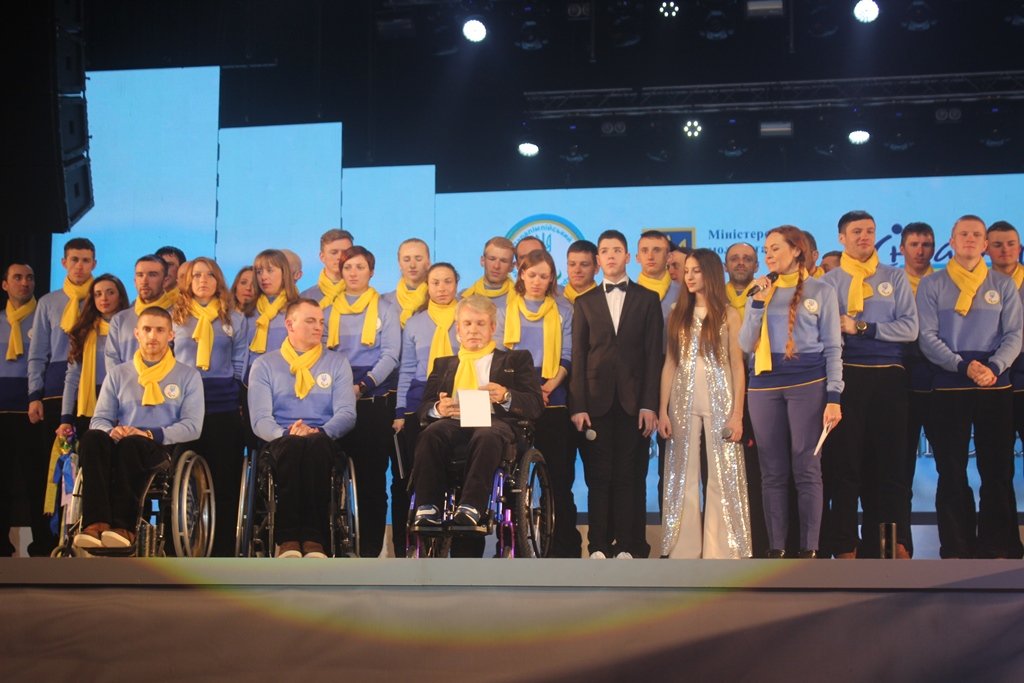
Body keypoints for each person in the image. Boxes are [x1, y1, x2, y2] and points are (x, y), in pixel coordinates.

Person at [917, 215, 1023, 558]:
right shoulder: (932, 284)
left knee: (997, 469)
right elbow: (927, 337)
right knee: (951, 470)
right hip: (950, 385)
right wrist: (962, 365)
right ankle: (956, 547)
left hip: (995, 384)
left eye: (976, 235)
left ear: (984, 244)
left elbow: (1014, 334)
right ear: (952, 241)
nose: (970, 239)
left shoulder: (1002, 284)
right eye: (963, 234)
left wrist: (994, 367)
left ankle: (999, 546)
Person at [739, 226, 843, 558]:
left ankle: (810, 548)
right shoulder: (759, 289)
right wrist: (758, 304)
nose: (768, 255)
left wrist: (834, 397)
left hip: (807, 384)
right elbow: (745, 344)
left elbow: (833, 347)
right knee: (771, 471)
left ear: (796, 250)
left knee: (807, 467)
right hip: (763, 385)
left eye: (775, 248)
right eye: (766, 250)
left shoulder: (822, 290)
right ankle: (777, 548)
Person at [821, 211, 918, 559]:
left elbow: (910, 329)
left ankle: (890, 543)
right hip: (848, 376)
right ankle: (845, 544)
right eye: (857, 231)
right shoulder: (829, 282)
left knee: (890, 465)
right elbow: (824, 333)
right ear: (841, 238)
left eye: (870, 231)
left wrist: (862, 328)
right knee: (846, 466)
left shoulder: (894, 276)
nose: (865, 236)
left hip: (890, 376)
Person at [410, 295, 543, 539]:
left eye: (480, 323)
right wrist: (438, 408)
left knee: (486, 434)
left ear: (492, 327)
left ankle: (471, 506)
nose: (473, 330)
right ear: (458, 329)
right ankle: (428, 506)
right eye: (467, 323)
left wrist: (506, 396)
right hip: (453, 424)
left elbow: (535, 405)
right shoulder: (443, 364)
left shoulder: (515, 360)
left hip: (496, 425)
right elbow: (424, 407)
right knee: (431, 433)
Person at [72, 307, 204, 550]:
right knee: (92, 438)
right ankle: (95, 524)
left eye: (160, 330)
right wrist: (112, 431)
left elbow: (193, 427)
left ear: (171, 335)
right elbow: (100, 419)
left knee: (132, 445)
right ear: (137, 333)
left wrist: (151, 434)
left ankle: (124, 528)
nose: (153, 336)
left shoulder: (188, 376)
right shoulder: (118, 374)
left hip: (160, 447)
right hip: (122, 440)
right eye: (147, 329)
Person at [570, 229, 664, 559]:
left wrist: (649, 404)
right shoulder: (584, 302)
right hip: (595, 402)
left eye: (617, 250)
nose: (611, 255)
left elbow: (654, 356)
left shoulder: (648, 299)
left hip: (633, 403)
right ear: (598, 260)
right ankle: (597, 545)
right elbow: (579, 356)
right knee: (598, 477)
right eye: (605, 250)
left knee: (628, 475)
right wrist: (578, 405)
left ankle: (627, 545)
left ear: (627, 257)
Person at [658, 249, 751, 559]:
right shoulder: (677, 313)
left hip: (721, 400)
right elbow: (670, 363)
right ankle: (682, 549)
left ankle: (721, 548)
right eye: (687, 271)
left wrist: (737, 414)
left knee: (723, 473)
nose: (689, 276)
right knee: (681, 473)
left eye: (696, 270)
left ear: (710, 273)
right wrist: (662, 410)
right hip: (682, 401)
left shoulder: (729, 314)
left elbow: (737, 366)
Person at [247, 299, 357, 558]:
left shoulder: (337, 363)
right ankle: (288, 539)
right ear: (290, 324)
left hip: (322, 437)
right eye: (310, 321)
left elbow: (347, 413)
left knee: (315, 445)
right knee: (292, 446)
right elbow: (260, 419)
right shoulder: (264, 365)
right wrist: (287, 433)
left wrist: (319, 431)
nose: (319, 327)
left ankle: (314, 539)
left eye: (321, 322)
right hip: (280, 439)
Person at [500, 249, 581, 557]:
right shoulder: (505, 309)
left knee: (558, 479)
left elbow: (568, 355)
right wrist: (528, 392)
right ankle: (516, 548)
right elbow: (500, 357)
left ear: (551, 279)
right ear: (521, 274)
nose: (536, 281)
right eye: (531, 274)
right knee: (514, 480)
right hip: (516, 400)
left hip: (553, 398)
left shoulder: (564, 309)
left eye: (543, 276)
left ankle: (563, 549)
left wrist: (547, 387)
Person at [171, 257, 248, 557]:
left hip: (223, 407)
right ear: (187, 281)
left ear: (219, 281)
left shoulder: (234, 319)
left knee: (224, 483)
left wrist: (236, 394)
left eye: (209, 275)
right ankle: (180, 550)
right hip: (183, 408)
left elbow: (239, 361)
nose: (203, 280)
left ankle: (223, 552)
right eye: (196, 275)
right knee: (181, 482)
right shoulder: (175, 317)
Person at [27, 237, 96, 555]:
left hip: (91, 394)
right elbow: (37, 353)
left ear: (94, 264)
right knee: (53, 468)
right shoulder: (49, 303)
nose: (80, 266)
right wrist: (35, 395)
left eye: (86, 260)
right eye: (74, 260)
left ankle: (88, 536)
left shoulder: (102, 297)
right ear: (64, 263)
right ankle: (48, 541)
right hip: (55, 395)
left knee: (90, 465)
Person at [330, 246, 400, 557]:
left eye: (360, 267)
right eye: (348, 267)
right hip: (333, 401)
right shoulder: (327, 309)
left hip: (373, 401)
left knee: (372, 481)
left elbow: (391, 355)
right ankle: (332, 546)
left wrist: (363, 385)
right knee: (330, 476)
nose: (354, 273)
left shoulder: (386, 308)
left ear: (371, 272)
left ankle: (371, 550)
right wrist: (340, 387)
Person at [393, 262, 461, 557]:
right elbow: (407, 369)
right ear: (427, 286)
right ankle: (411, 543)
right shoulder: (415, 323)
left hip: (458, 395)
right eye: (436, 282)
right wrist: (400, 411)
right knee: (414, 471)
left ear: (457, 284)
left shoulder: (467, 316)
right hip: (420, 398)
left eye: (448, 282)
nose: (442, 288)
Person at [899, 221, 936, 558]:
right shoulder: (894, 284)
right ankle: (901, 545)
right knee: (900, 471)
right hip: (902, 384)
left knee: (951, 470)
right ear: (902, 249)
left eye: (926, 245)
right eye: (914, 244)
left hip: (940, 382)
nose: (921, 251)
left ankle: (957, 548)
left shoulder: (944, 283)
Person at [58, 275, 130, 439]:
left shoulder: (132, 329)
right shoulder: (83, 331)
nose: (104, 298)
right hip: (89, 405)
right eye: (98, 294)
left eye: (110, 292)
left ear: (120, 296)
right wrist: (65, 418)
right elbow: (72, 376)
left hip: (123, 402)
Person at [0, 262, 39, 556]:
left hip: (32, 414)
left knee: (35, 481)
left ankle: (43, 545)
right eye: (17, 277)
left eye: (29, 278)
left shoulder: (45, 318)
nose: (24, 283)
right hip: (2, 413)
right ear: (5, 285)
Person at [985, 221, 1024, 448]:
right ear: (986, 248)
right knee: (997, 451)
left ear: (1019, 247)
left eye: (1011, 244)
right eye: (997, 245)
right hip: (994, 375)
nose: (1005, 250)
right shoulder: (976, 286)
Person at [106, 255, 177, 367]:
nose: (144, 281)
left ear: (165, 281)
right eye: (140, 275)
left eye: (152, 275)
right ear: (135, 281)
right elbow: (112, 360)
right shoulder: (119, 320)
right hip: (126, 378)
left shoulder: (178, 316)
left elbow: (181, 358)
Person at [246, 249, 300, 375]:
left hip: (287, 376)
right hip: (252, 377)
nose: (263, 277)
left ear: (284, 273)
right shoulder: (250, 309)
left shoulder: (298, 307)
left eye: (270, 270)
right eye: (259, 272)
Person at [300, 228, 354, 330]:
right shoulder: (304, 298)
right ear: (322, 257)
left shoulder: (365, 296)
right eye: (334, 252)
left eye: (345, 252)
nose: (340, 257)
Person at [382, 238, 430, 328]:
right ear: (399, 264)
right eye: (406, 260)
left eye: (418, 259)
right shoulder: (384, 301)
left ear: (428, 263)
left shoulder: (439, 300)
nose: (412, 265)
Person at [461, 236, 516, 309]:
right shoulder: (462, 298)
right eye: (492, 259)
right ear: (482, 261)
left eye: (503, 261)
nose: (496, 266)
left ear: (512, 266)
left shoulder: (521, 299)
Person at [724, 242, 758, 319]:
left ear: (756, 267)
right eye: (734, 259)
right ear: (725, 267)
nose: (741, 263)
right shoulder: (716, 297)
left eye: (747, 259)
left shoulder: (767, 295)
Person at [561, 240, 598, 304]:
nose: (577, 270)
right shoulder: (552, 299)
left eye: (584, 265)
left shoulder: (606, 301)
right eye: (572, 264)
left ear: (596, 268)